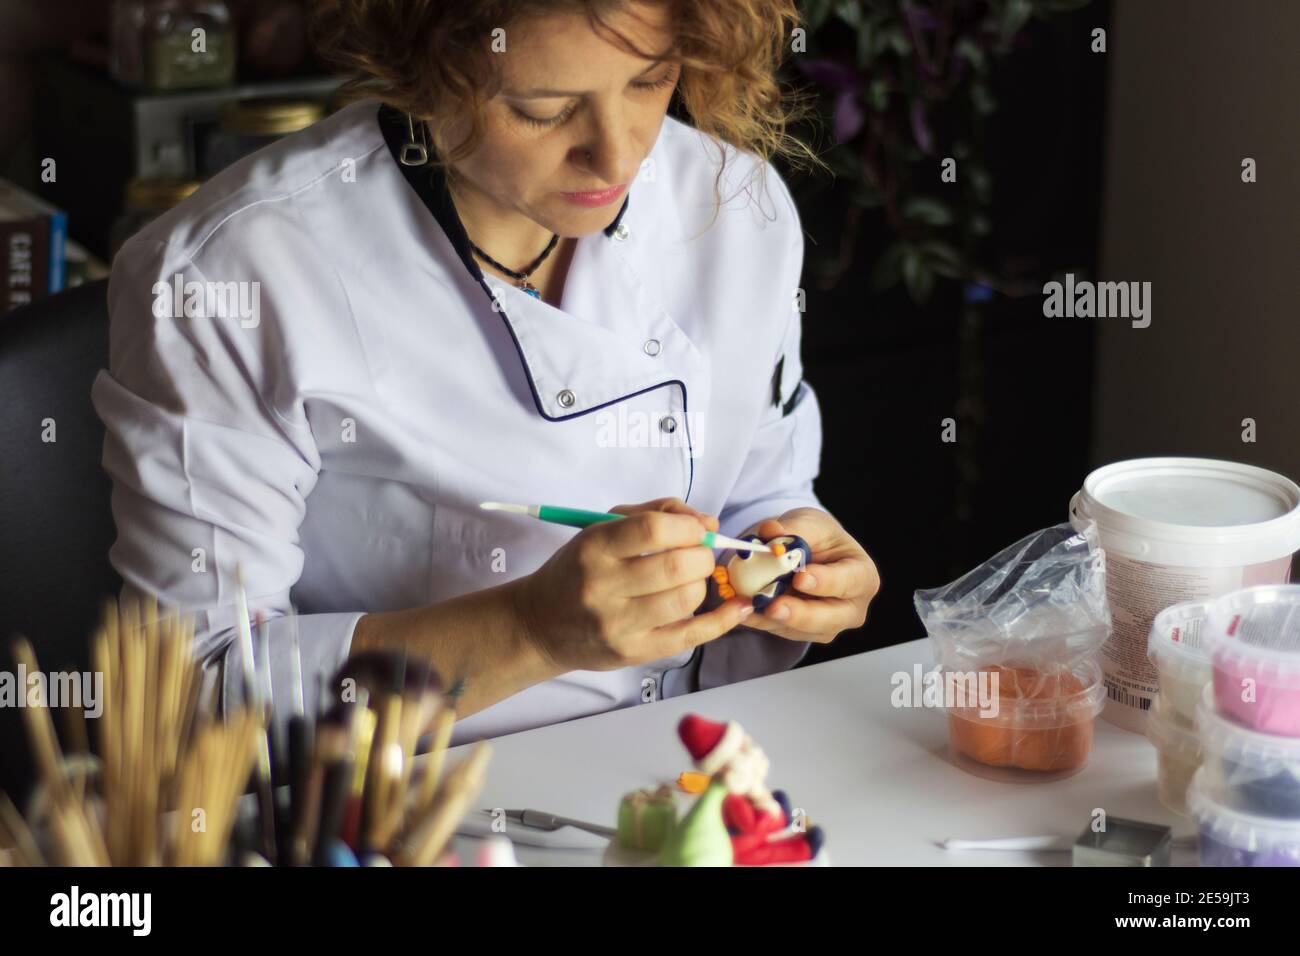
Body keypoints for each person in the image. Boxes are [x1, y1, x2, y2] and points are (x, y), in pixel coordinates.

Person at [91, 0, 880, 743]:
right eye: (542, 107)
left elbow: (761, 491)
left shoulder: (736, 206)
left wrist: (796, 555)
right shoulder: (233, 276)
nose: (618, 151)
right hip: (401, 811)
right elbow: (192, 691)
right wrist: (528, 631)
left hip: (693, 766)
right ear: (421, 69)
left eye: (649, 79)